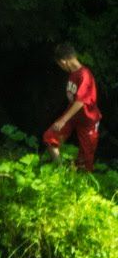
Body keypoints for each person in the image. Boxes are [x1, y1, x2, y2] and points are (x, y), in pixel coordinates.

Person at [43, 43, 101, 171]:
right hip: (73, 117)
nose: (61, 67)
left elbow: (80, 101)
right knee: (50, 137)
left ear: (63, 62)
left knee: (86, 158)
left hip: (88, 120)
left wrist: (63, 120)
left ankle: (82, 183)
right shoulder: (73, 74)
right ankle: (61, 170)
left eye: (59, 65)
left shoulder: (84, 75)